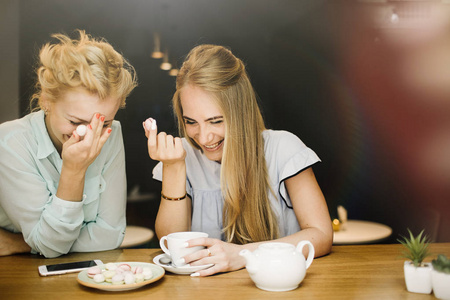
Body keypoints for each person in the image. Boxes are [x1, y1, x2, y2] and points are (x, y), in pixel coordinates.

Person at [143, 44, 332, 276]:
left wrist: (243, 255)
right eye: (191, 122)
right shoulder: (182, 154)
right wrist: (173, 167)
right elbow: (170, 242)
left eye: (215, 121)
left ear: (240, 113)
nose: (204, 137)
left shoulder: (283, 148)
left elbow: (321, 235)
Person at [0, 30, 137, 258]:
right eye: (75, 121)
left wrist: (22, 243)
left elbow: (110, 234)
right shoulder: (9, 143)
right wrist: (73, 171)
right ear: (46, 100)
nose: (88, 136)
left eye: (104, 122)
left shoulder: (112, 133)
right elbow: (51, 247)